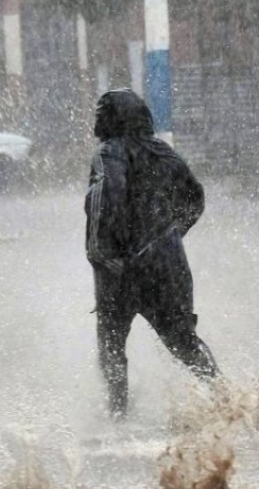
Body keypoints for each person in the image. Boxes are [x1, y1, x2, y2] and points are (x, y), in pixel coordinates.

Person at [84, 88, 219, 418]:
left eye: (101, 113)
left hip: (121, 270)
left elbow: (109, 195)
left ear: (109, 119)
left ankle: (118, 415)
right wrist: (169, 236)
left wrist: (101, 251)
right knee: (184, 342)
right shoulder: (164, 152)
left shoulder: (108, 153)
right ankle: (228, 400)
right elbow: (194, 198)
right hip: (167, 266)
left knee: (112, 345)